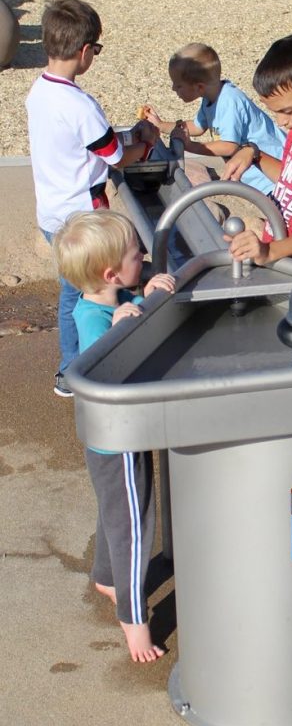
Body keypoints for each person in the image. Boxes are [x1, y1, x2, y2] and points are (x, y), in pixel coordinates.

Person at [52, 210, 176, 663]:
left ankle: (106, 577)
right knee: (134, 527)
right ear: (109, 273)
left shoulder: (110, 297)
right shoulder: (93, 318)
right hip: (116, 443)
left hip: (115, 435)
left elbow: (128, 307)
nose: (143, 255)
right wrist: (131, 317)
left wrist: (140, 297)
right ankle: (133, 616)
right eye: (134, 254)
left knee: (114, 512)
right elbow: (99, 363)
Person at [26, 0, 159, 398]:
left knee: (78, 291)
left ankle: (83, 360)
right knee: (82, 295)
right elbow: (117, 157)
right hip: (84, 215)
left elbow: (86, 144)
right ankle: (76, 369)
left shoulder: (39, 92)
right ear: (84, 51)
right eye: (96, 49)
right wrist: (147, 142)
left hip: (53, 210)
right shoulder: (80, 104)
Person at [221, 33, 292, 265]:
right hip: (278, 245)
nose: (281, 122)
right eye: (276, 112)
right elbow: (290, 180)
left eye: (287, 111)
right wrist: (254, 154)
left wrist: (271, 251)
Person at [141, 43, 285, 195]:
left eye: (178, 85)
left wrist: (190, 146)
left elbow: (229, 147)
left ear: (199, 87)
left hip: (269, 177)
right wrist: (160, 125)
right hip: (252, 174)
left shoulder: (229, 102)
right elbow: (197, 127)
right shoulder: (210, 97)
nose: (173, 89)